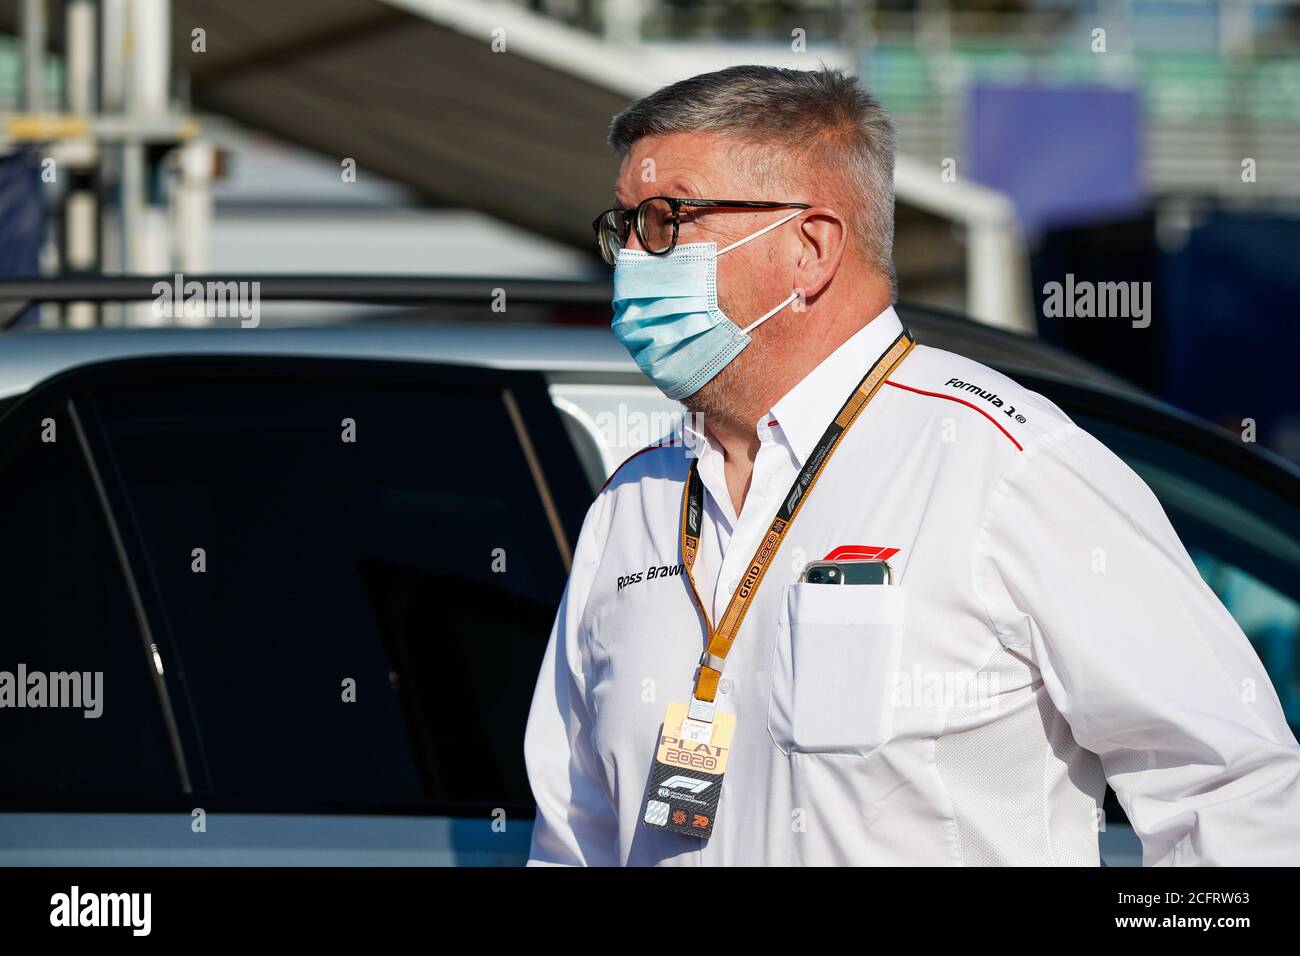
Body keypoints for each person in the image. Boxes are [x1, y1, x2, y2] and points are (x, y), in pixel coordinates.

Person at [524, 65, 1300, 866]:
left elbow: (1231, 795)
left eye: (666, 219)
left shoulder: (1008, 466)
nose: (632, 260)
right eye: (623, 225)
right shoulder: (633, 501)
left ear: (810, 247)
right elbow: (574, 832)